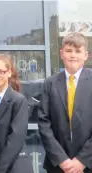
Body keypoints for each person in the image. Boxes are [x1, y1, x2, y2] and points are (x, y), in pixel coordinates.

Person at [38, 32, 92, 173]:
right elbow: (44, 123)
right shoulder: (50, 83)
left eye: (78, 51)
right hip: (58, 165)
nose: (73, 55)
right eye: (68, 51)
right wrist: (62, 160)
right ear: (61, 54)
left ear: (86, 55)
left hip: (88, 164)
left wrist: (82, 160)